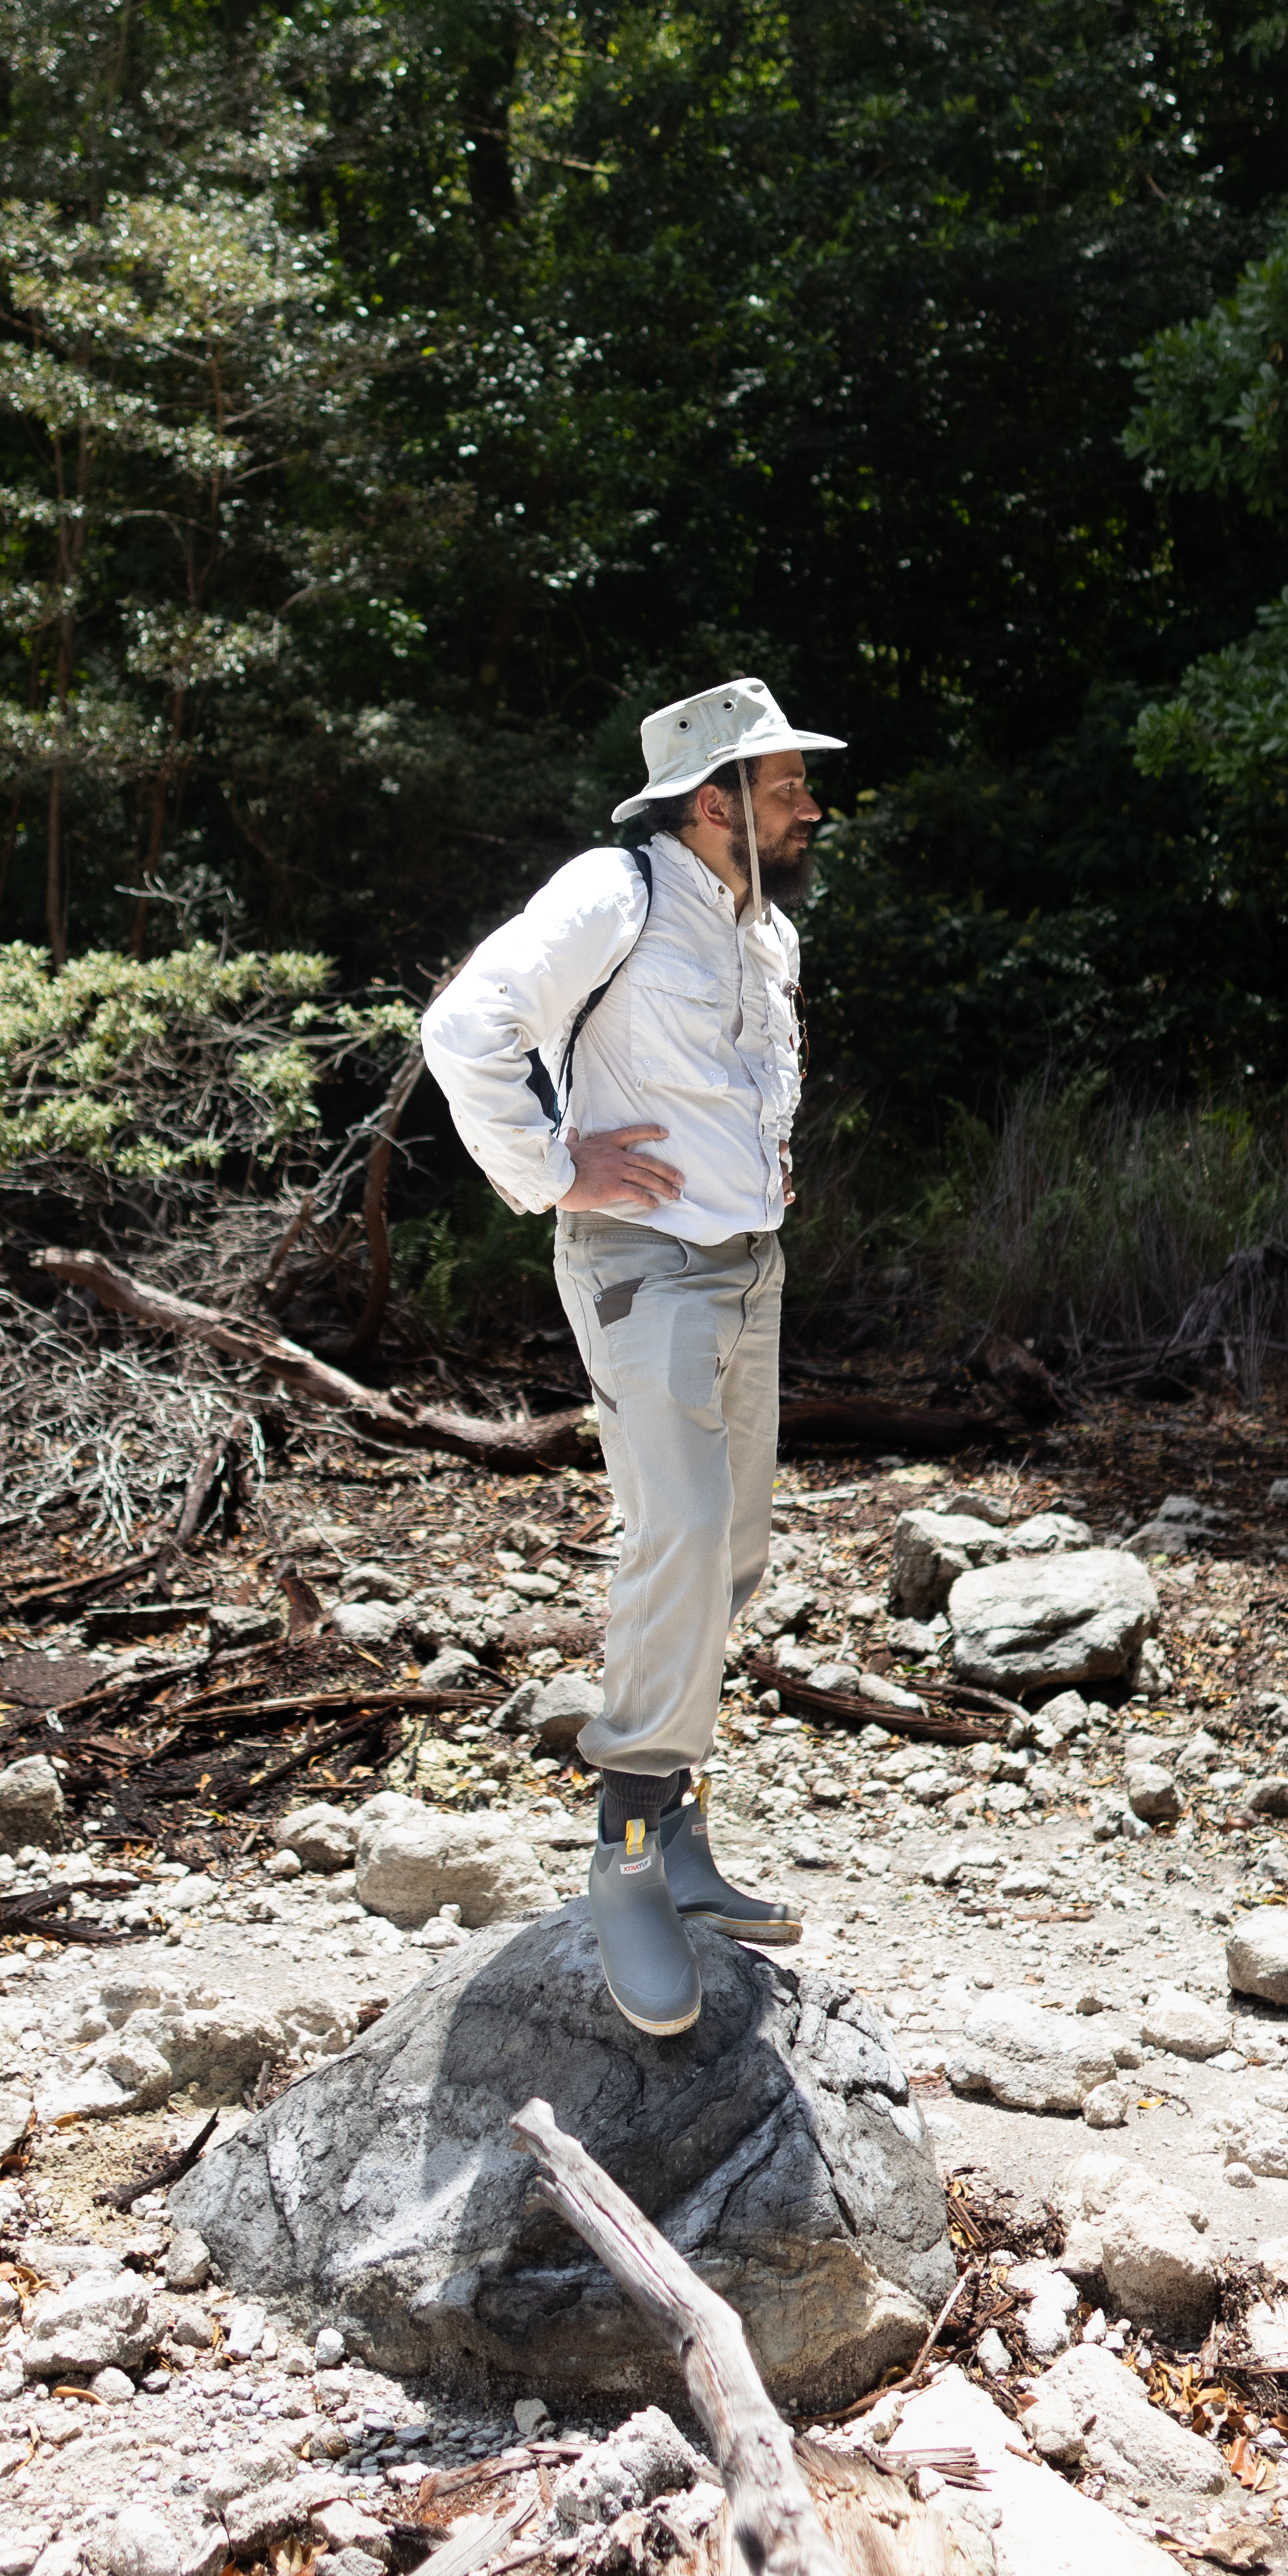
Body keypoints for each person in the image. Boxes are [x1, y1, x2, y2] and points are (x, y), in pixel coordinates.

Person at [419, 676, 841, 2033]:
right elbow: (467, 1026)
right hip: (641, 1269)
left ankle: (686, 1827)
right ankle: (629, 1854)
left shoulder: (758, 925)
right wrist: (551, 1169)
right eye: (787, 786)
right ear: (714, 798)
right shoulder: (619, 888)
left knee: (733, 1556)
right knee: (678, 1535)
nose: (810, 806)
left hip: (747, 1271)